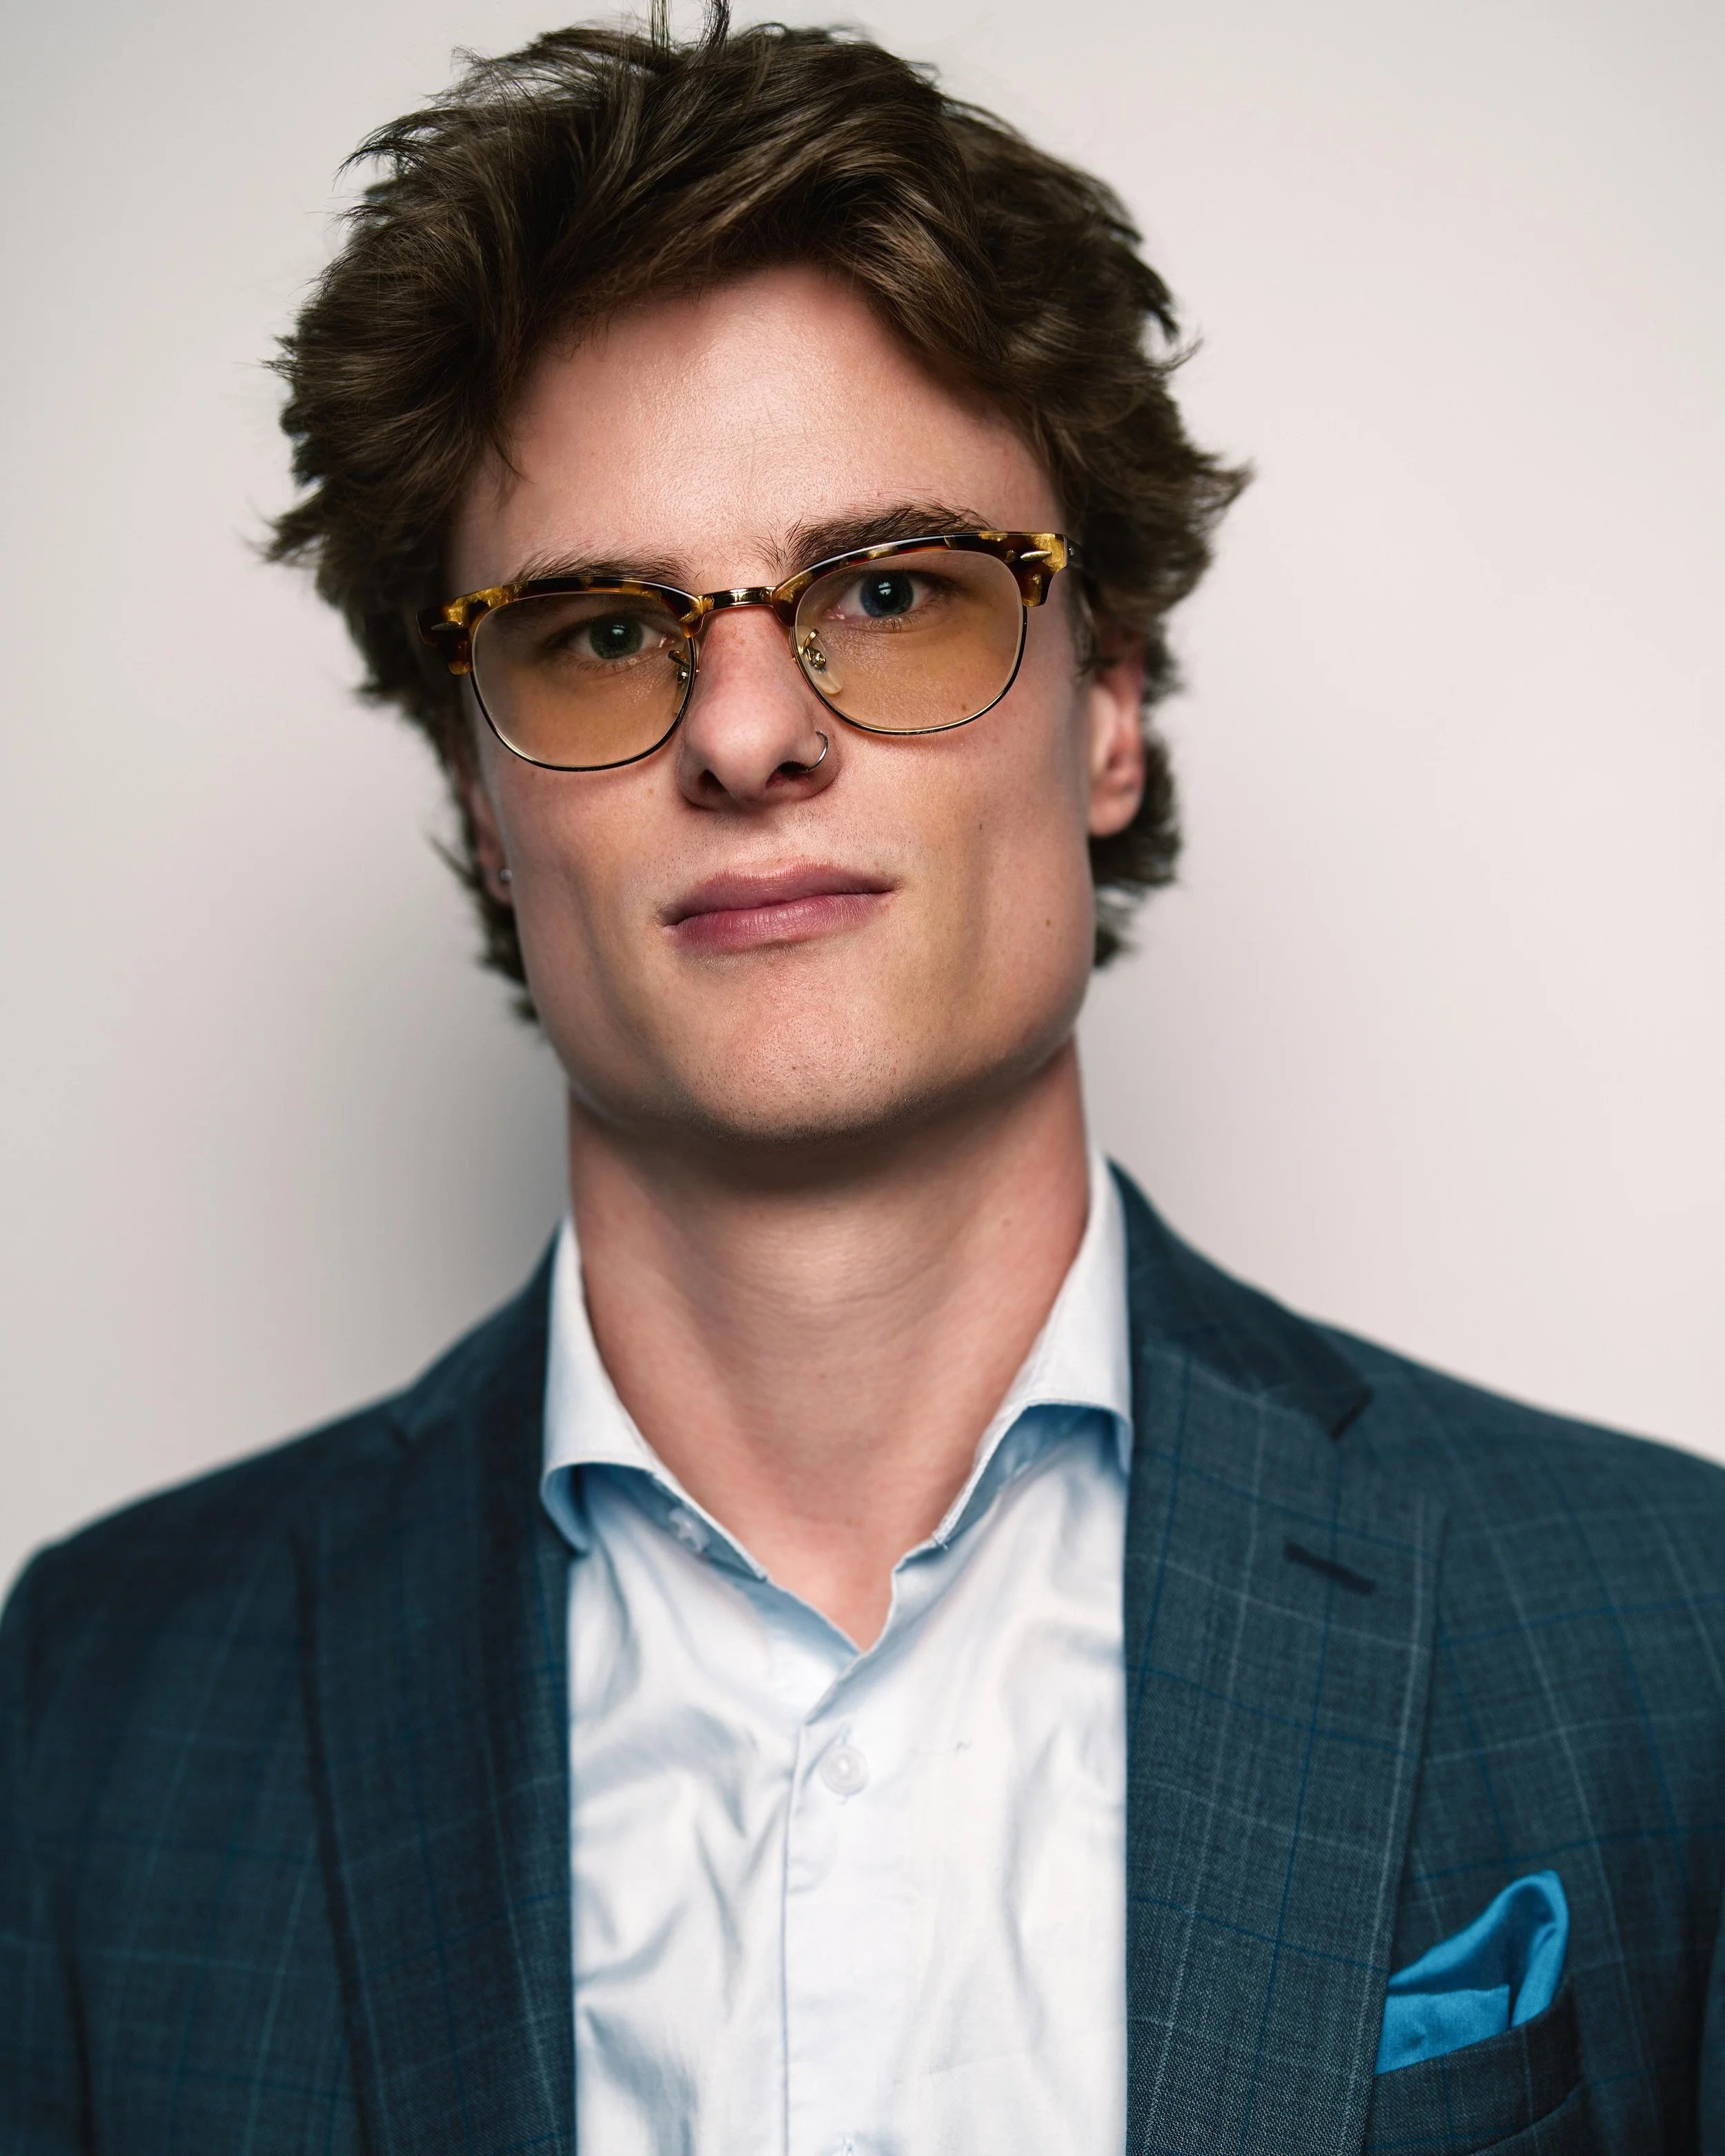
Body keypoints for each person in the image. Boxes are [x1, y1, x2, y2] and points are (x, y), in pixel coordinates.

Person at [2, 12, 1720, 2154]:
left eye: (890, 592)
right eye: (604, 633)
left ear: (1109, 705)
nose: (743, 733)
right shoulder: (95, 1712)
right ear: (475, 793)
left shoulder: (1667, 1638)